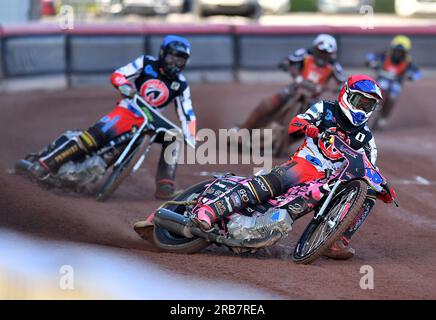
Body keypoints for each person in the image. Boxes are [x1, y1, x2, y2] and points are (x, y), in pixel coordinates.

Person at [192, 74, 396, 260]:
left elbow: (369, 167)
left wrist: (383, 187)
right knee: (272, 183)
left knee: (367, 193)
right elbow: (295, 124)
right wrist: (310, 129)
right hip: (306, 163)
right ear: (346, 95)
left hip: (331, 181)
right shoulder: (325, 108)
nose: (363, 109)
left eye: (369, 106)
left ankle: (336, 240)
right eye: (360, 101)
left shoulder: (367, 138)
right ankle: (211, 209)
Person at [29, 35, 197, 200]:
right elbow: (119, 74)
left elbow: (187, 113)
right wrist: (123, 86)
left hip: (152, 124)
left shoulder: (181, 84)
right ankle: (44, 164)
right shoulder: (146, 62)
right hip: (130, 110)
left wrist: (191, 136)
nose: (175, 63)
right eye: (171, 57)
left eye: (180, 60)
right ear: (162, 54)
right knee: (93, 137)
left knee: (175, 137)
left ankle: (165, 186)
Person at [238, 34, 346, 131]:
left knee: (318, 123)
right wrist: (286, 65)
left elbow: (342, 81)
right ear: (315, 49)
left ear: (332, 54)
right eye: (321, 52)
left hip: (313, 97)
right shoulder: (305, 54)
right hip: (294, 88)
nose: (322, 56)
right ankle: (244, 129)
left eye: (326, 54)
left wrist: (339, 88)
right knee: (266, 104)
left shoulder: (334, 66)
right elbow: (288, 60)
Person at [366, 35, 421, 128]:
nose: (398, 53)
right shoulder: (385, 55)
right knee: (373, 92)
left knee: (393, 97)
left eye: (401, 52)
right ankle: (365, 110)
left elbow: (417, 73)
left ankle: (383, 117)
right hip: (382, 79)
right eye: (396, 50)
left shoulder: (408, 62)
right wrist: (372, 63)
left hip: (396, 82)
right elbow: (370, 56)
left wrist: (411, 76)